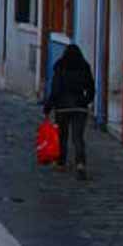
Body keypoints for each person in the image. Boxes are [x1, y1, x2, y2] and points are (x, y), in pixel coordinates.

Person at [43, 44, 96, 179]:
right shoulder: (84, 66)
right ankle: (80, 164)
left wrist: (48, 106)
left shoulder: (60, 66)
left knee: (63, 136)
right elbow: (91, 87)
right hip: (79, 106)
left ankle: (61, 162)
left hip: (62, 107)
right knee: (78, 137)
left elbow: (55, 89)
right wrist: (85, 101)